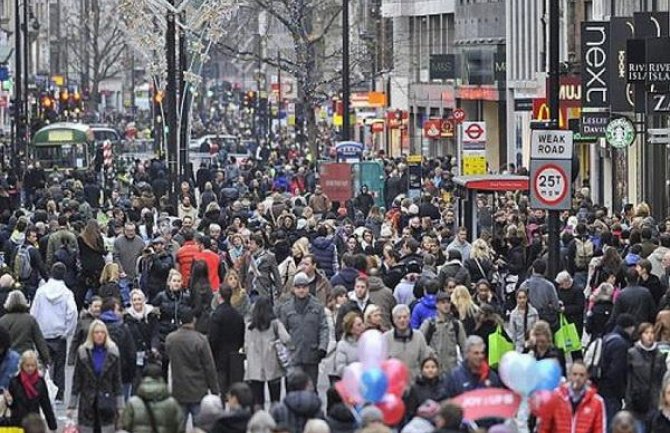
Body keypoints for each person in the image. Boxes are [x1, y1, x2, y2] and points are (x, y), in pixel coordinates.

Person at [30, 262, 77, 402]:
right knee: (59, 367)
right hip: (59, 334)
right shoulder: (67, 293)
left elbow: (34, 312)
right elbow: (72, 313)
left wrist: (35, 331)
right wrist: (67, 331)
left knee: (40, 365)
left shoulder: (41, 291)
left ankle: (38, 392)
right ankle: (59, 394)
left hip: (42, 334)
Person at [67, 320, 124, 433]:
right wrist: (71, 405)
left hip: (107, 402)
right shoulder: (83, 353)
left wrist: (120, 406)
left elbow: (117, 380)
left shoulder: (113, 353)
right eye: (96, 332)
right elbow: (77, 380)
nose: (99, 335)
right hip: (87, 402)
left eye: (102, 332)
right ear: (91, 334)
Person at [165, 309, 220, 424]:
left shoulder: (171, 339)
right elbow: (209, 366)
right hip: (198, 390)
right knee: (199, 426)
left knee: (179, 426)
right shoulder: (201, 340)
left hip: (179, 390)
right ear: (193, 320)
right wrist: (215, 390)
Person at [244, 295, 291, 408]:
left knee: (257, 402)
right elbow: (286, 339)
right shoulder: (275, 323)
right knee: (275, 400)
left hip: (254, 367)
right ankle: (274, 419)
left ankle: (260, 421)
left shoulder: (249, 325)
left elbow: (245, 345)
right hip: (272, 364)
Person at [537, 361, 605, 433]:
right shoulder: (555, 397)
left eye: (582, 375)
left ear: (587, 377)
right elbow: (543, 428)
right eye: (575, 374)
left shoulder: (597, 402)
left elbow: (599, 430)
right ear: (569, 375)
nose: (578, 378)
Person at [625, 322, 667, 432]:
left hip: (654, 402)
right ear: (640, 335)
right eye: (646, 333)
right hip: (636, 403)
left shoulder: (660, 356)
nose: (650, 336)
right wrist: (628, 400)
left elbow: (663, 379)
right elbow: (628, 379)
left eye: (652, 333)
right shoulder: (632, 353)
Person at [120, 363, 185, 433]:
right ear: (161, 378)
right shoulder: (172, 403)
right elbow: (180, 428)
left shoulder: (132, 403)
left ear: (143, 378)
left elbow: (125, 426)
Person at [152, 269, 192, 379]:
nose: (176, 283)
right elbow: (153, 311)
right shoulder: (161, 296)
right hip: (164, 334)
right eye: (174, 281)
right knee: (164, 364)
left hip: (180, 333)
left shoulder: (186, 297)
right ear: (169, 282)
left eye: (179, 281)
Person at [599, 313, 636, 430]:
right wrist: (622, 392)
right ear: (629, 327)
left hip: (602, 386)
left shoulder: (609, 337)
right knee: (611, 421)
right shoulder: (620, 344)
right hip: (612, 391)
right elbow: (617, 371)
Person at [6, 350, 57, 431]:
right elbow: (10, 406)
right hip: (17, 424)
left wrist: (53, 426)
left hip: (34, 425)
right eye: (27, 365)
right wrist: (9, 401)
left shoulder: (40, 382)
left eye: (33, 365)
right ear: (22, 365)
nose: (30, 368)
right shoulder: (14, 381)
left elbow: (46, 405)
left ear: (36, 366)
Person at [209, 284, 245, 396]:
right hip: (234, 354)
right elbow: (241, 338)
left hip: (219, 356)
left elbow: (213, 338)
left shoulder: (216, 315)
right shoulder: (238, 316)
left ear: (219, 296)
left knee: (221, 387)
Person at [419, 291, 466, 375]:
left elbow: (464, 347)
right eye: (443, 303)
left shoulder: (456, 324)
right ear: (437, 305)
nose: (446, 305)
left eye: (448, 302)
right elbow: (419, 344)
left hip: (452, 370)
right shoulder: (429, 324)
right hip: (434, 371)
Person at [99, 297, 137, 400]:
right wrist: (132, 374)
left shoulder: (96, 327)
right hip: (122, 374)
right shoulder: (123, 328)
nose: (122, 312)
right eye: (119, 309)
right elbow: (131, 354)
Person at [0, 290, 50, 364]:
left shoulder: (3, 320)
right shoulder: (30, 320)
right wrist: (46, 359)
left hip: (8, 360)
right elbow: (40, 342)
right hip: (27, 358)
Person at [384, 304, 432, 378]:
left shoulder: (419, 336)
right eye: (399, 318)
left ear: (409, 318)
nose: (402, 320)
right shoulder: (386, 338)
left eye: (405, 317)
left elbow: (425, 359)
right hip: (394, 382)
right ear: (393, 320)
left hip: (415, 382)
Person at [124, 290, 159, 388]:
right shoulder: (126, 317)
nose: (137, 302)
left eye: (139, 299)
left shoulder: (152, 315)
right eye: (134, 300)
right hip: (133, 354)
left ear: (144, 300)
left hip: (149, 353)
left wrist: (154, 347)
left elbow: (155, 333)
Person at [519, 259, 560, 330]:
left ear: (533, 269)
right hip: (544, 318)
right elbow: (556, 305)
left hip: (528, 316)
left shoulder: (525, 285)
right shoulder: (549, 286)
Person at [242, 234, 281, 300]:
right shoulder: (247, 256)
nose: (249, 245)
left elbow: (276, 275)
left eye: (251, 244)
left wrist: (279, 290)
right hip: (250, 289)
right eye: (249, 243)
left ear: (258, 244)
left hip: (263, 289)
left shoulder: (270, 257)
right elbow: (242, 272)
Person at [335, 276, 373, 340]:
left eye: (362, 287)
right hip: (350, 342)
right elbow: (339, 329)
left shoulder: (371, 306)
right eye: (357, 287)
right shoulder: (345, 307)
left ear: (367, 288)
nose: (359, 290)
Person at [68, 297, 102, 366]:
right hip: (85, 357)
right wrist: (71, 358)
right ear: (90, 306)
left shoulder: (105, 321)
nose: (98, 309)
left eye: (100, 307)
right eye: (95, 306)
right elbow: (76, 340)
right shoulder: (83, 321)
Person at [556, 271, 586, 338]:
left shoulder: (578, 290)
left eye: (561, 284)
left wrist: (565, 309)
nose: (560, 286)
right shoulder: (561, 289)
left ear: (567, 282)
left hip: (575, 322)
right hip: (563, 320)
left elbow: (580, 307)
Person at [508, 287, 539, 352]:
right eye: (520, 298)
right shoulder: (513, 314)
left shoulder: (534, 312)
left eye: (524, 297)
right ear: (516, 299)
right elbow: (512, 333)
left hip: (532, 345)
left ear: (527, 298)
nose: (522, 300)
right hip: (519, 346)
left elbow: (537, 329)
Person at [334, 312, 365, 377]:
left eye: (362, 323)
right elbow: (340, 368)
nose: (363, 327)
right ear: (350, 329)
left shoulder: (367, 342)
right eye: (359, 325)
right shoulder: (342, 345)